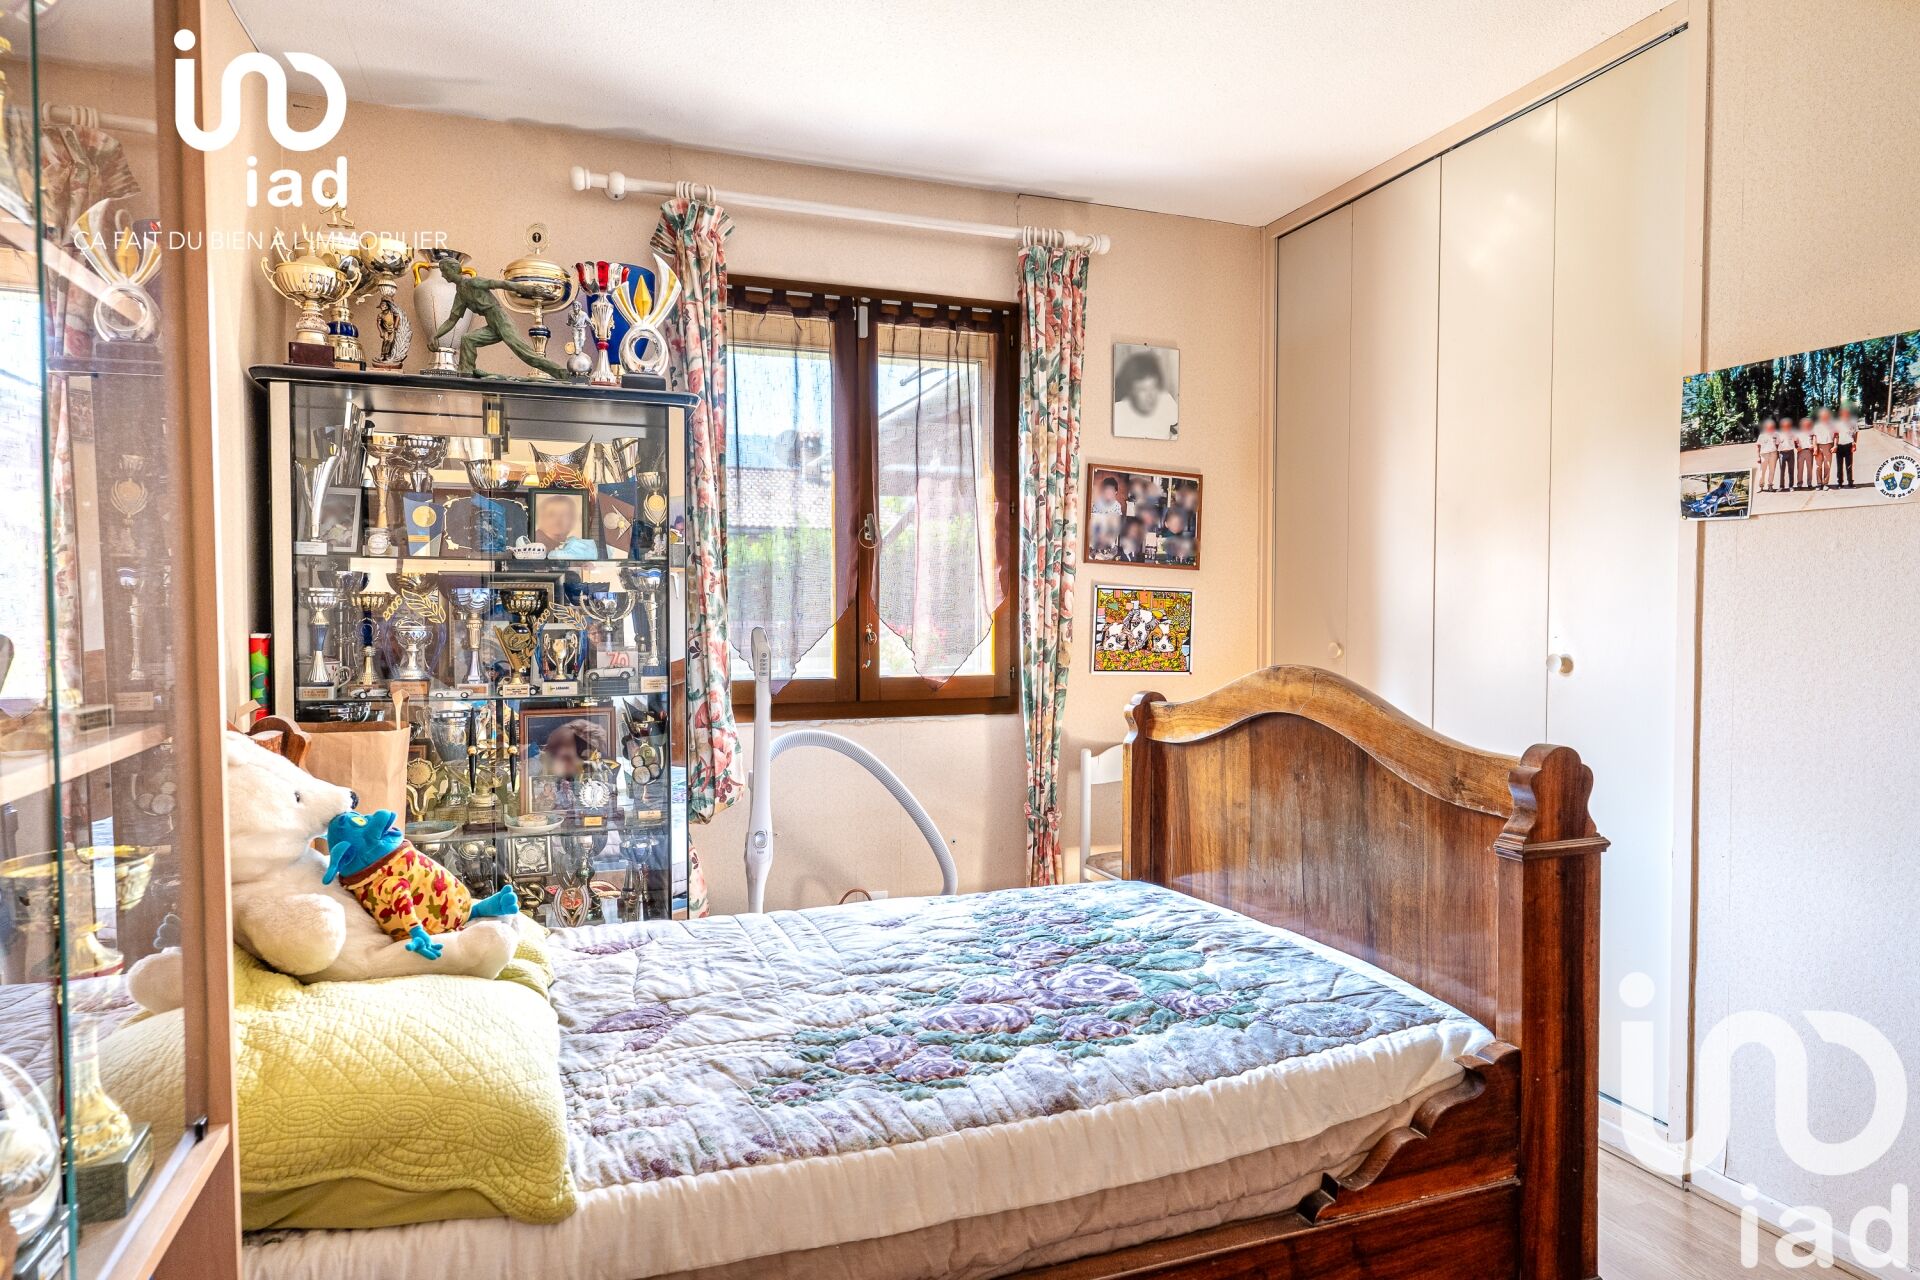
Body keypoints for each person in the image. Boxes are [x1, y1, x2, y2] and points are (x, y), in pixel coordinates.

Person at [1113, 350, 1178, 438]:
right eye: (1143, 389)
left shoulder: (1165, 399)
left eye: (1153, 387)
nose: (1150, 395)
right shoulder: (1118, 412)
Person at [1834, 405, 1859, 488]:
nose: (1845, 414)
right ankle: (1840, 483)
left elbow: (1855, 433)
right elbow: (1836, 435)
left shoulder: (1853, 422)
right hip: (1840, 446)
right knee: (1839, 466)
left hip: (1849, 445)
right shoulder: (1837, 423)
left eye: (1847, 412)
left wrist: (1854, 444)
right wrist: (1835, 445)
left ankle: (1850, 482)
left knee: (1849, 465)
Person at [1812, 408, 1836, 490]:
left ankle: (1825, 483)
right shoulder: (1816, 425)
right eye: (1822, 415)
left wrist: (1835, 446)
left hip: (1828, 446)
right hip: (1819, 446)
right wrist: (1815, 447)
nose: (1824, 417)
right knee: (1818, 466)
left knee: (1827, 466)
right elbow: (1814, 437)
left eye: (1826, 415)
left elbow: (1836, 436)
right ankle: (1819, 483)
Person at [1756, 417, 1780, 492]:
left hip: (1773, 453)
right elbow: (1758, 446)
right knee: (1762, 471)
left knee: (1772, 470)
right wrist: (1758, 457)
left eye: (1772, 426)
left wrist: (1778, 454)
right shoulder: (1762, 435)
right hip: (1764, 454)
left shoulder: (1776, 434)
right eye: (1769, 426)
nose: (1771, 428)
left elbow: (1778, 445)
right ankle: (1761, 486)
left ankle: (1770, 485)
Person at [1793, 415, 1817, 491]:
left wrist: (1813, 447)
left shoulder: (1811, 432)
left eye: (1807, 423)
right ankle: (1799, 484)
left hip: (1809, 451)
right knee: (1800, 469)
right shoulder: (1798, 432)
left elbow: (1814, 440)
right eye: (1804, 423)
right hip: (1801, 452)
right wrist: (1797, 447)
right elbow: (1795, 441)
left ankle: (1809, 484)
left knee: (1810, 469)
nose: (1806, 424)